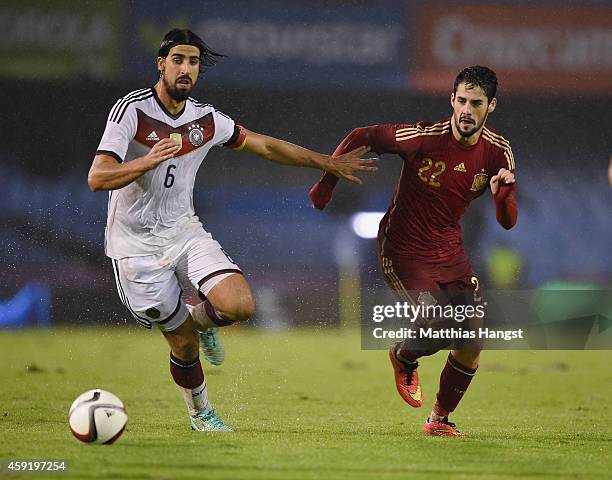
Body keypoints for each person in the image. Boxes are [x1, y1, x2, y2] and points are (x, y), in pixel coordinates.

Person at [88, 28, 376, 433]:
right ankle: (201, 414)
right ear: (161, 64)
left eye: (193, 62)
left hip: (184, 232)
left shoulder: (205, 121)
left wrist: (325, 162)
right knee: (182, 342)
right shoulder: (131, 112)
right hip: (134, 249)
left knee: (240, 305)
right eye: (178, 60)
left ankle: (201, 321)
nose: (186, 69)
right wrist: (147, 161)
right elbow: (98, 177)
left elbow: (265, 146)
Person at [309, 66, 517, 436]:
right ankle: (404, 355)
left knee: (472, 336)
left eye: (477, 103)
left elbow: (507, 221)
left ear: (492, 106)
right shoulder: (423, 137)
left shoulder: (498, 153)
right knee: (439, 318)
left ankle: (438, 420)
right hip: (402, 248)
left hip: (449, 249)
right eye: (463, 101)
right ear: (452, 100)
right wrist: (327, 182)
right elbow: (364, 135)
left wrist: (502, 199)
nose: (467, 110)